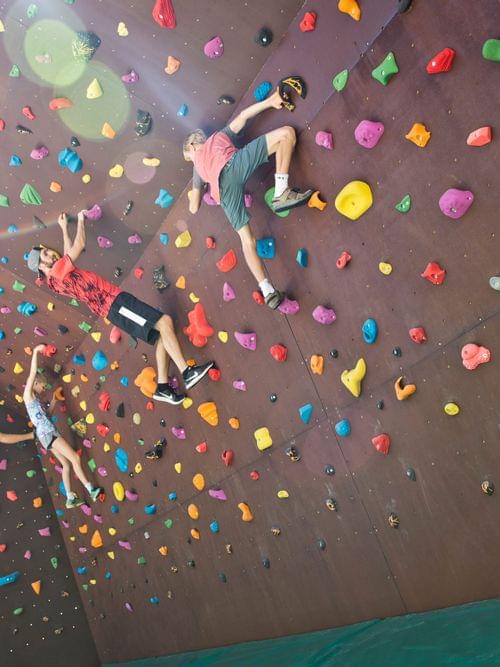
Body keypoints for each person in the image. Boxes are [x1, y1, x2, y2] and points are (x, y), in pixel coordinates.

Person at [26, 211, 214, 405]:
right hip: (115, 304)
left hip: (113, 307)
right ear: (42, 267)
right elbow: (79, 246)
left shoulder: (54, 280)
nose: (51, 253)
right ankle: (187, 373)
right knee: (164, 322)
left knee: (160, 337)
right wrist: (81, 220)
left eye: (48, 251)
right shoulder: (57, 271)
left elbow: (66, 256)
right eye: (46, 255)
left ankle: (163, 388)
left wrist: (64, 229)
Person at [183, 87, 313, 310]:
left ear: (193, 146)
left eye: (189, 157)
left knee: (247, 241)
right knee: (286, 134)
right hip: (233, 166)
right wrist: (271, 101)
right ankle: (281, 191)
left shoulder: (198, 167)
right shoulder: (219, 136)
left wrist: (197, 190)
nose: (192, 161)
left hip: (224, 194)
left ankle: (267, 290)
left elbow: (194, 208)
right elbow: (243, 116)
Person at [23, 344, 103, 509]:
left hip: (45, 435)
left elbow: (48, 415)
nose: (43, 388)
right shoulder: (28, 396)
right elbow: (32, 373)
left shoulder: (36, 402)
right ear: (35, 383)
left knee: (66, 465)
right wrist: (37, 351)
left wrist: (53, 399)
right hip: (48, 433)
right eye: (42, 386)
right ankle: (91, 489)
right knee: (75, 458)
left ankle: (70, 497)